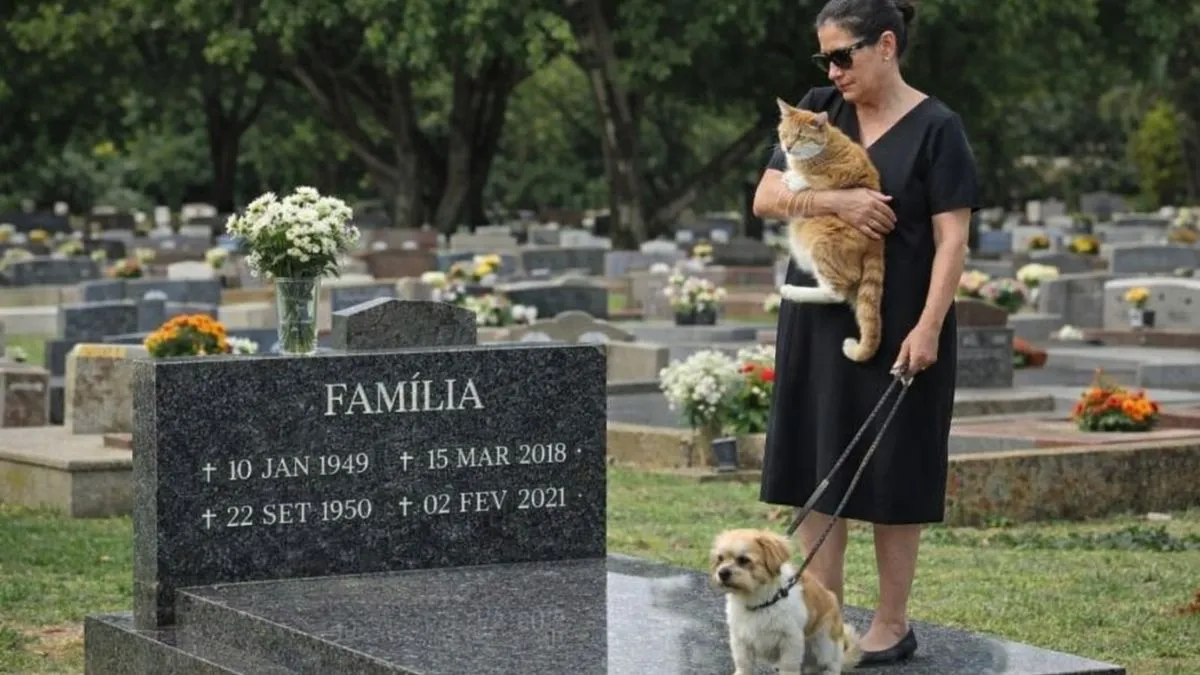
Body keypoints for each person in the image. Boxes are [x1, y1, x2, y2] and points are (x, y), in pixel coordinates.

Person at [754, 0, 981, 666]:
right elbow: (767, 197)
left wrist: (930, 326)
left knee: (894, 470)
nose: (831, 68)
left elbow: (953, 238)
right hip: (818, 317)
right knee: (818, 470)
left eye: (842, 55)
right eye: (823, 56)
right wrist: (836, 201)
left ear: (886, 45)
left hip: (901, 322)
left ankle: (892, 622)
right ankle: (826, 622)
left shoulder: (940, 128)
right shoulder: (821, 105)